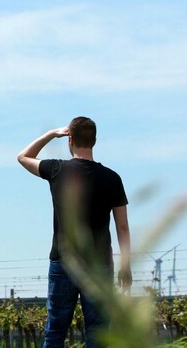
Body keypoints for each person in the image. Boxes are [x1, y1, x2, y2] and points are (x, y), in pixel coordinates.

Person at [17, 116, 132, 348]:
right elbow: (122, 226)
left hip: (63, 261)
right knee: (98, 333)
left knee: (55, 331)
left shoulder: (57, 169)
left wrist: (51, 133)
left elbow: (23, 157)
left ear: (70, 139)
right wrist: (125, 265)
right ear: (95, 141)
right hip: (98, 263)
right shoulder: (112, 178)